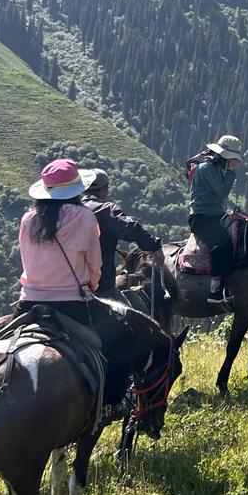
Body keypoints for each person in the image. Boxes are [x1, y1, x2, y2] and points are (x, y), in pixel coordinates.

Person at [16, 159, 142, 405]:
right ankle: (111, 402)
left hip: (28, 302)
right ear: (77, 190)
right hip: (73, 304)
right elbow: (95, 267)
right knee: (124, 338)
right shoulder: (85, 217)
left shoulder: (28, 219)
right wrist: (91, 288)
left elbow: (26, 262)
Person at [81, 167, 164, 297]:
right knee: (135, 314)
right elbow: (131, 228)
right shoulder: (106, 210)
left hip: (65, 286)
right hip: (101, 286)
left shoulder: (68, 211)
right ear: (105, 189)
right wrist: (154, 246)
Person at [188, 134, 243, 304]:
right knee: (224, 245)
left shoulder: (216, 169)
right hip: (202, 218)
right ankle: (215, 290)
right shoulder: (207, 169)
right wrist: (232, 173)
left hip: (215, 216)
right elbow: (222, 192)